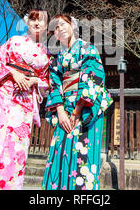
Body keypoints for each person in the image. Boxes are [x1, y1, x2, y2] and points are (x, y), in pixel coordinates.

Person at [0, 10, 51, 190]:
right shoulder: (14, 41)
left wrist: (34, 80)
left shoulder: (46, 54)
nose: (36, 23)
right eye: (33, 20)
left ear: (47, 26)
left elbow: (47, 80)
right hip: (4, 96)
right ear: (27, 23)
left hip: (25, 102)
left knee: (17, 146)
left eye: (41, 21)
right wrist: (11, 72)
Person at [42, 14, 113, 190]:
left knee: (84, 156)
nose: (60, 29)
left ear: (73, 25)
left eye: (63, 24)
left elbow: (93, 76)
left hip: (86, 108)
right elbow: (54, 83)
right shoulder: (56, 58)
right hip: (64, 109)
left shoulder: (88, 49)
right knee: (60, 154)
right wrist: (60, 111)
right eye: (56, 28)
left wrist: (78, 109)